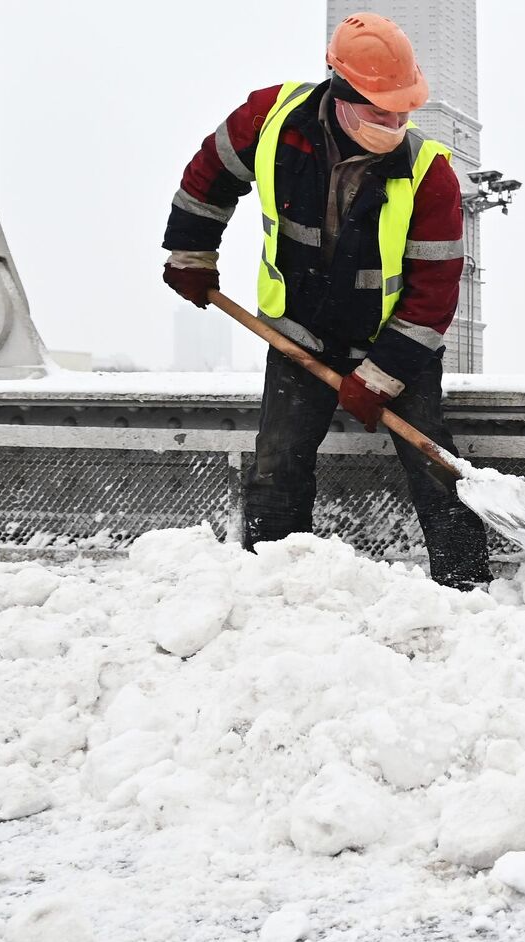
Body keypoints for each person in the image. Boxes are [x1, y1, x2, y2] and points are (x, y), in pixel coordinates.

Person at [160, 12, 488, 590]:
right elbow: (209, 176)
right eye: (380, 110)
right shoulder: (268, 121)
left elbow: (434, 291)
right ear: (341, 93)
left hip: (395, 347)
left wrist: (382, 374)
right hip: (298, 336)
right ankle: (273, 584)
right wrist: (191, 253)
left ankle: (466, 587)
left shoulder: (429, 173)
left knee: (435, 466)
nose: (396, 121)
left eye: (404, 109)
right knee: (276, 463)